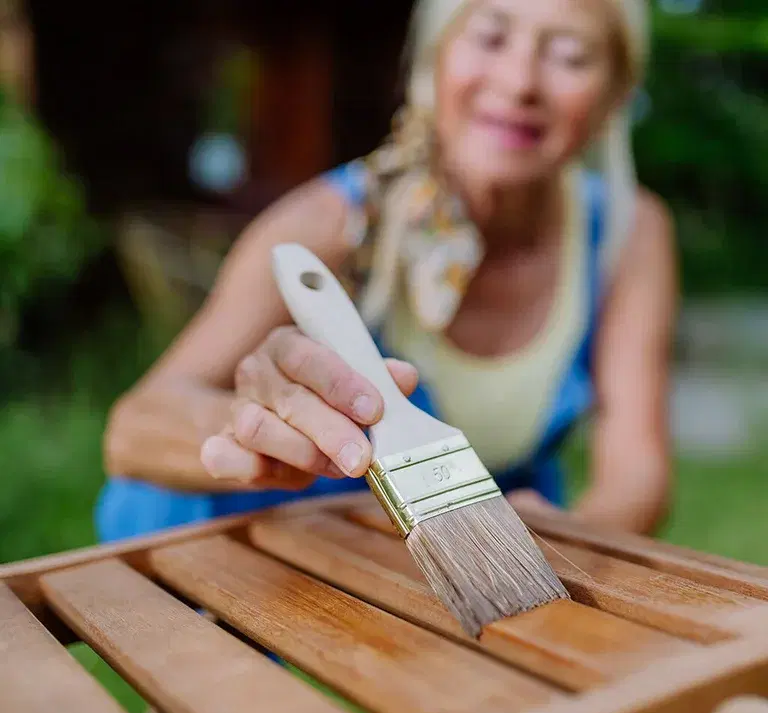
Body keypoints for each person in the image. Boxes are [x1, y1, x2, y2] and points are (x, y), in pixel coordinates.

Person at [98, 0, 677, 544]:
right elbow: (129, 430)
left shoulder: (625, 232)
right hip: (278, 548)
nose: (520, 81)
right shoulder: (326, 226)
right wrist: (249, 427)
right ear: (434, 57)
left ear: (616, 94)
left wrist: (566, 537)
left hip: (472, 561)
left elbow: (637, 472)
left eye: (569, 55)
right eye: (490, 38)